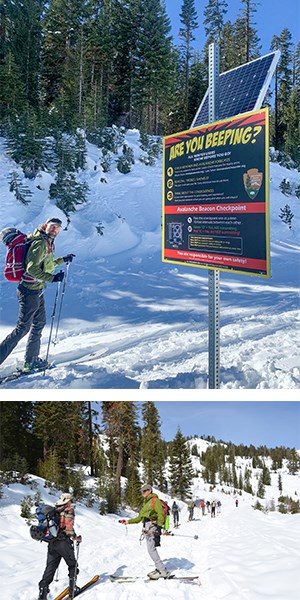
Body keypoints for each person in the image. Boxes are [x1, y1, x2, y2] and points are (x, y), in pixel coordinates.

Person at [0, 217, 75, 371]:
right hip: (29, 291)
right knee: (23, 328)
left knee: (39, 323)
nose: (55, 229)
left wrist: (62, 259)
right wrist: (52, 278)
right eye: (52, 226)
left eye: (58, 228)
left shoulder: (47, 241)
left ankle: (31, 360)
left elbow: (46, 264)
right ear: (45, 226)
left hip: (36, 290)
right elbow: (31, 269)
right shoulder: (40, 243)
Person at [119, 484, 171, 580]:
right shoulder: (146, 503)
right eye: (142, 491)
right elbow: (139, 518)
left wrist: (159, 527)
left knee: (151, 549)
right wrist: (128, 521)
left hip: (153, 526)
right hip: (148, 526)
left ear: (150, 491)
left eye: (145, 490)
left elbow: (160, 514)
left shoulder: (154, 500)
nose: (143, 492)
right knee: (151, 549)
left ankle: (162, 571)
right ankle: (159, 568)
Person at [38, 493, 82, 600]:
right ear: (68, 501)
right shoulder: (68, 510)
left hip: (52, 543)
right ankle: (72, 590)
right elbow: (69, 528)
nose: (72, 503)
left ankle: (43, 592)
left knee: (50, 569)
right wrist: (76, 537)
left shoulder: (54, 510)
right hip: (64, 543)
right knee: (73, 565)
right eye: (71, 501)